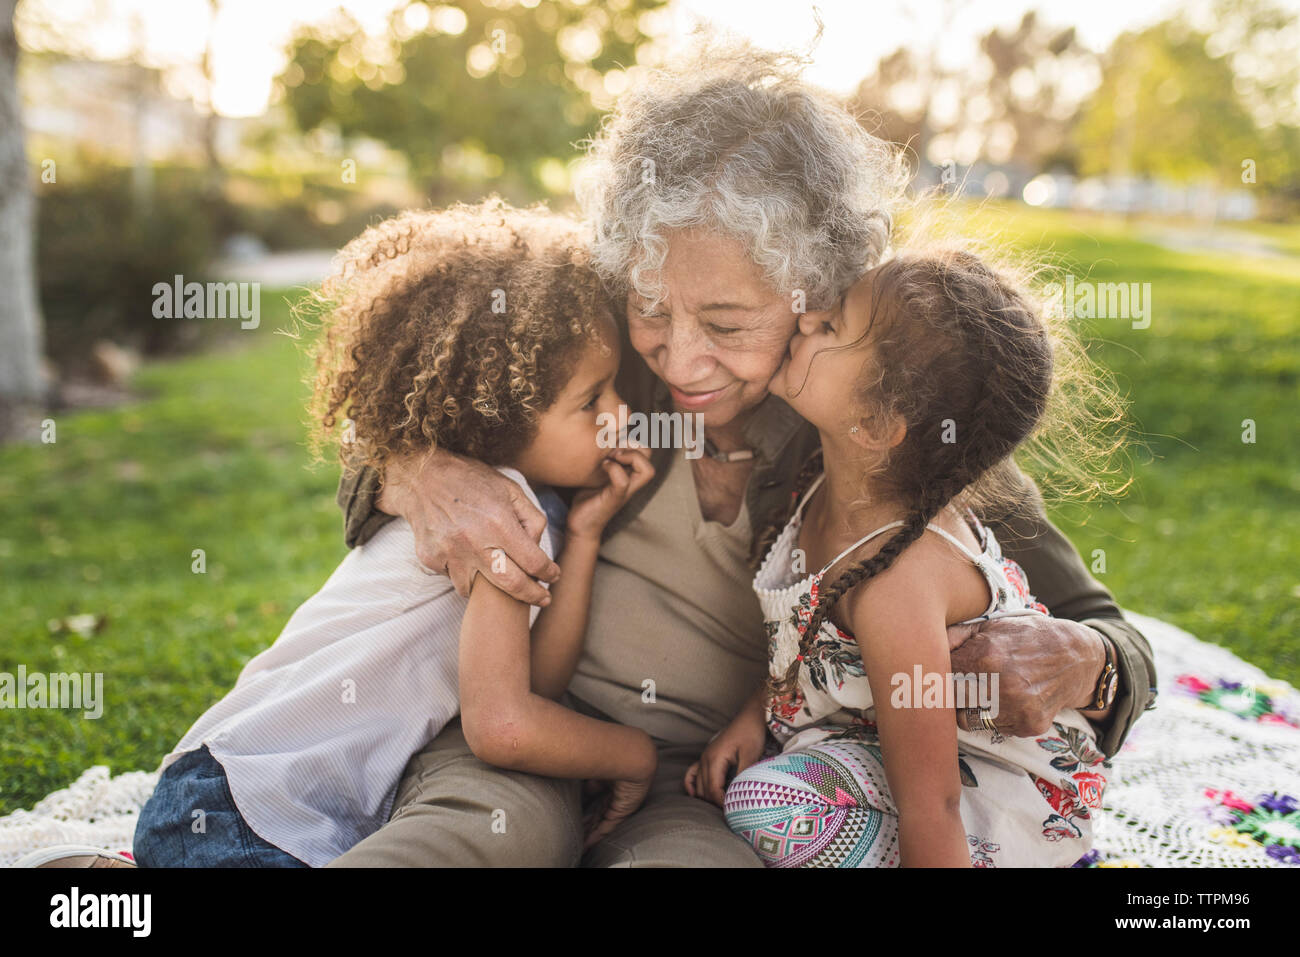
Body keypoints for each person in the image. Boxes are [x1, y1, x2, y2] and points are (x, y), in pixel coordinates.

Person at [329, 44, 1156, 868]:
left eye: (727, 325)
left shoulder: (897, 431)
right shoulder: (591, 340)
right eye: (651, 307)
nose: (679, 361)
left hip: (711, 788)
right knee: (458, 843)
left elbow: (1111, 635)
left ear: (820, 294)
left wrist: (1087, 664)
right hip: (535, 739)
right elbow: (409, 397)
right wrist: (415, 469)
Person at [127, 201, 656, 866]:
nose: (622, 413)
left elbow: (533, 686)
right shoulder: (498, 511)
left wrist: (582, 538)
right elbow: (503, 727)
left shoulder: (529, 508)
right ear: (501, 420)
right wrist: (633, 755)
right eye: (593, 400)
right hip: (239, 806)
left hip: (250, 797)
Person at [695, 245, 1112, 867]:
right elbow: (805, 644)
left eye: (831, 326)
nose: (806, 319)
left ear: (876, 423)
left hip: (996, 798)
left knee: (766, 801)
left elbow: (932, 805)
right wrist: (754, 714)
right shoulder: (824, 486)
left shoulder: (899, 582)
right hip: (876, 741)